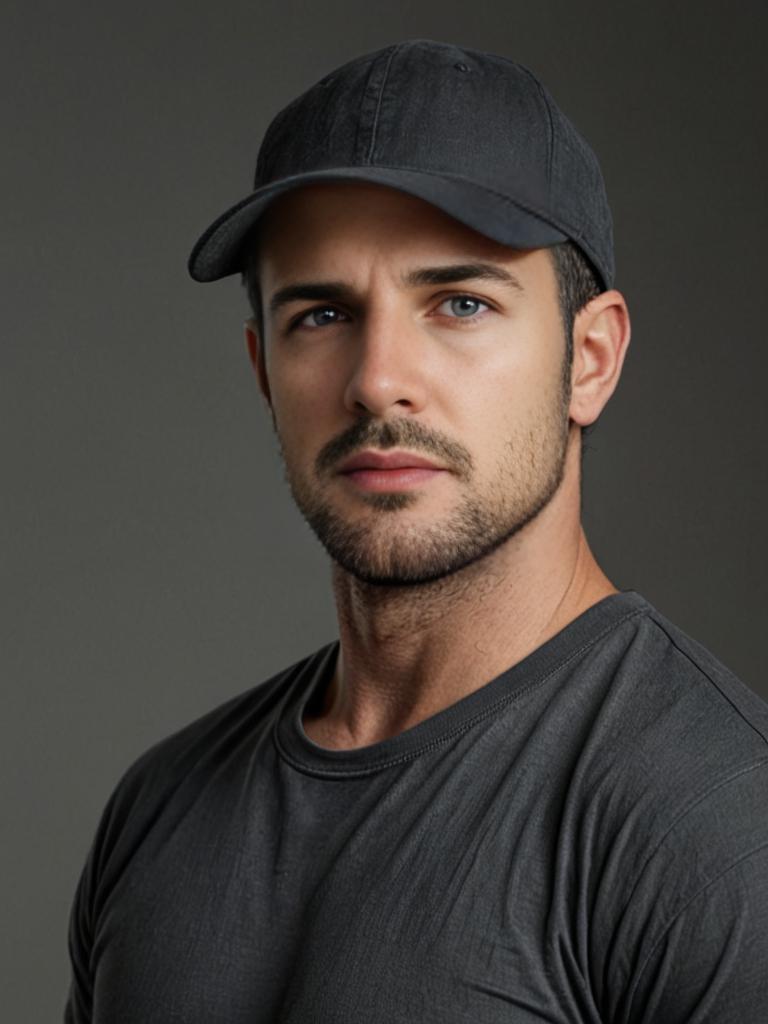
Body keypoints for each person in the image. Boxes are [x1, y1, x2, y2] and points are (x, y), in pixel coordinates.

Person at [65, 39, 768, 1023]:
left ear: (591, 358)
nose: (378, 377)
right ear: (264, 368)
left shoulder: (719, 826)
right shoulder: (161, 805)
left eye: (462, 303)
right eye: (321, 314)